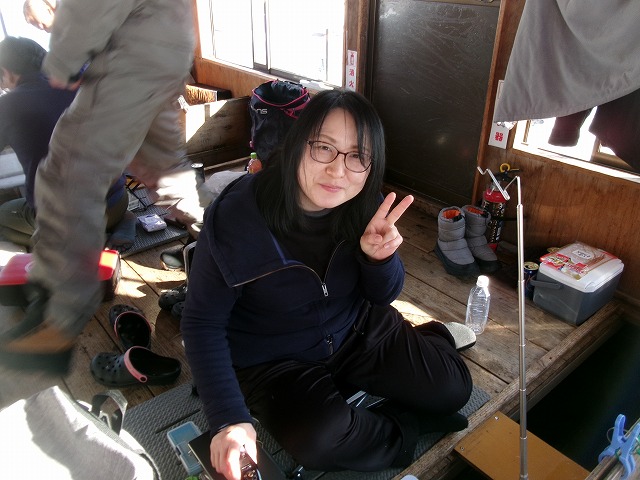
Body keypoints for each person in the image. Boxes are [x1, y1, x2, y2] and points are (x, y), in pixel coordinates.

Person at [181, 89, 474, 480]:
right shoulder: (236, 218)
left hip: (355, 328)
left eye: (357, 156)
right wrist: (229, 418)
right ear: (297, 145)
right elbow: (201, 323)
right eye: (324, 148)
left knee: (454, 389)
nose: (339, 171)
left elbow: (383, 296)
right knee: (321, 440)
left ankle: (429, 341)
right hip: (275, 361)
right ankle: (406, 428)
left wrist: (379, 259)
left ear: (370, 165)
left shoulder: (365, 205)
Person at [0, 0, 203, 373]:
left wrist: (65, 57)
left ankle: (54, 324)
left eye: (36, 18)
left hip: (130, 63)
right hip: (158, 56)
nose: (39, 26)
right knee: (168, 174)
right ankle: (234, 250)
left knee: (64, 180)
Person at [0, 36, 132, 250]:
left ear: (6, 72)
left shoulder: (7, 106)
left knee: (4, 215)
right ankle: (121, 221)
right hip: (117, 201)